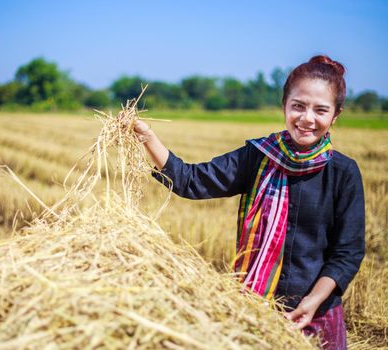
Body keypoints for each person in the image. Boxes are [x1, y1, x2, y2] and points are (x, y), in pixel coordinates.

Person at [134, 55, 365, 350]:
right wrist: (148, 138)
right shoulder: (257, 156)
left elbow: (347, 252)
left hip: (316, 317)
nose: (307, 118)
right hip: (257, 311)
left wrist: (312, 301)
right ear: (284, 105)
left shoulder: (343, 173)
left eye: (320, 110)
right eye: (298, 106)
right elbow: (191, 181)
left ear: (335, 115)